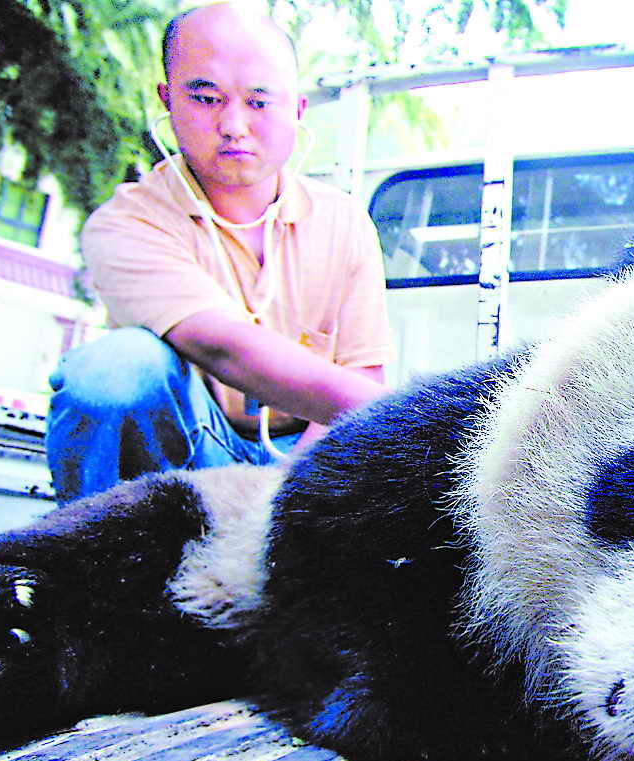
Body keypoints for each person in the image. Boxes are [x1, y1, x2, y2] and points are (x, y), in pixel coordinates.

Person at [45, 2, 394, 504]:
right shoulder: (125, 223)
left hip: (310, 453)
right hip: (189, 447)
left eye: (258, 102)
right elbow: (223, 346)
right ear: (168, 101)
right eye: (206, 98)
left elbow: (359, 381)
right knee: (114, 369)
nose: (233, 125)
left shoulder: (345, 221)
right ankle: (97, 556)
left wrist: (281, 501)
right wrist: (431, 414)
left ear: (296, 110)